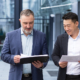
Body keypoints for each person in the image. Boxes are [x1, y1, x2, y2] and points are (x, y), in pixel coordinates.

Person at [1, 9, 48, 80]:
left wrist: (42, 65)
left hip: (35, 77)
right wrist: (12, 58)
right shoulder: (10, 36)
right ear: (20, 21)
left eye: (31, 23)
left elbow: (46, 56)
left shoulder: (41, 36)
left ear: (34, 20)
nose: (28, 26)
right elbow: (3, 55)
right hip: (16, 77)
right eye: (25, 23)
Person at [52, 12, 80, 80]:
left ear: (76, 23)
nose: (66, 28)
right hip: (64, 77)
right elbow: (54, 55)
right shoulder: (60, 38)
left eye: (68, 25)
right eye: (64, 26)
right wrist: (59, 62)